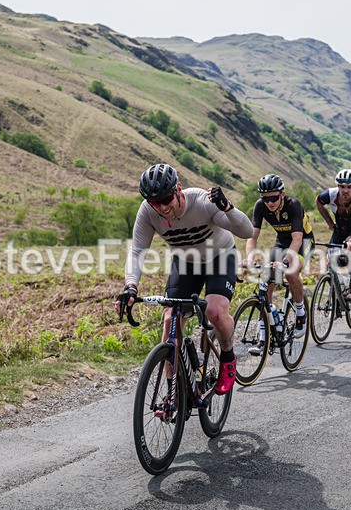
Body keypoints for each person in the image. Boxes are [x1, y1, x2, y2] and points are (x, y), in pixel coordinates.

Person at [116, 163, 253, 395]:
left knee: (215, 311)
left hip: (220, 257)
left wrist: (228, 208)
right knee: (170, 318)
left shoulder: (202, 202)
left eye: (166, 199)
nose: (162, 207)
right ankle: (174, 391)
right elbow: (138, 251)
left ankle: (228, 357)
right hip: (186, 262)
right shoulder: (148, 211)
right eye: (155, 202)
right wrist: (131, 286)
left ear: (178, 189)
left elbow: (246, 232)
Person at [244, 174, 314, 339]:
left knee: (290, 272)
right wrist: (250, 258)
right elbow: (252, 237)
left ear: (282, 194)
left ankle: (300, 312)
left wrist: (286, 261)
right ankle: (266, 330)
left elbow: (297, 239)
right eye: (265, 199)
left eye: (274, 198)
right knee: (266, 281)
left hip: (303, 241)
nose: (270, 202)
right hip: (282, 241)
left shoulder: (293, 205)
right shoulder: (260, 206)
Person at [316, 169, 351, 300]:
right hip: (340, 228)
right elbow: (318, 202)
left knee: (350, 247)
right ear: (338, 186)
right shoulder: (330, 195)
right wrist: (330, 223)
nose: (345, 190)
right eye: (342, 187)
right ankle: (336, 293)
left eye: (349, 187)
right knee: (329, 259)